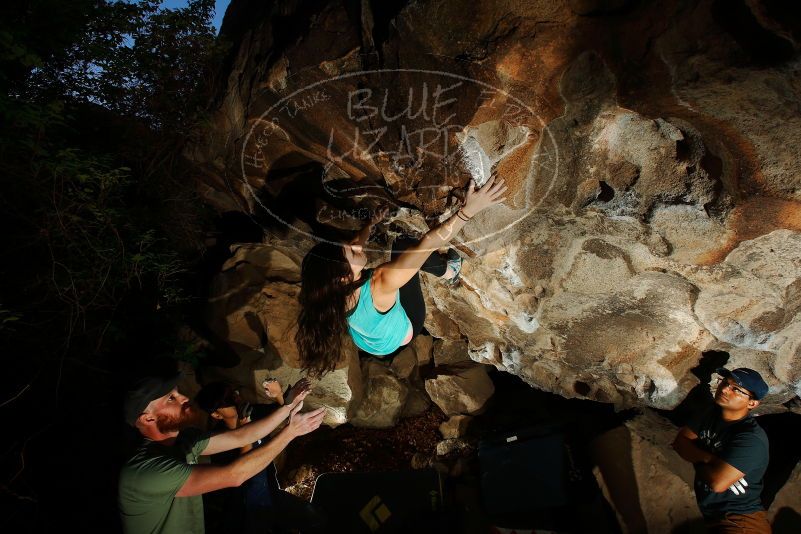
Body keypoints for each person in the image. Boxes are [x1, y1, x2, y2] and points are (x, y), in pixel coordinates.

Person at [296, 176, 507, 376]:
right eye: (351, 251)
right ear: (342, 278)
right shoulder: (380, 281)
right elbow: (427, 244)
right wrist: (470, 209)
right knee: (404, 244)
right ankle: (449, 272)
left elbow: (355, 244)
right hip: (406, 330)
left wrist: (371, 224)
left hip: (374, 343)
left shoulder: (328, 297)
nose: (356, 245)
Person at [118, 373, 325, 534]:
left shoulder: (185, 441)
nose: (184, 398)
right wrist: (290, 433)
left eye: (178, 392)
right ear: (148, 419)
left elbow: (240, 437)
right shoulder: (146, 471)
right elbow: (234, 476)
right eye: (171, 398)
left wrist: (287, 405)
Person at [194, 380, 327, 533]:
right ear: (216, 414)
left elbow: (280, 413)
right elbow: (240, 472)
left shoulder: (252, 412)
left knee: (317, 519)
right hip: (248, 505)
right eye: (227, 401)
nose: (236, 400)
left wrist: (278, 395)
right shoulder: (216, 440)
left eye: (234, 394)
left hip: (271, 491)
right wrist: (245, 428)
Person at [672, 367, 771, 533]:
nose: (725, 389)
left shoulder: (750, 439)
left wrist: (697, 456)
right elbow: (679, 442)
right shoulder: (710, 413)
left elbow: (717, 483)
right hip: (715, 518)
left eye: (736, 389)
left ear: (752, 403)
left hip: (741, 523)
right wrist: (711, 460)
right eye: (725, 382)